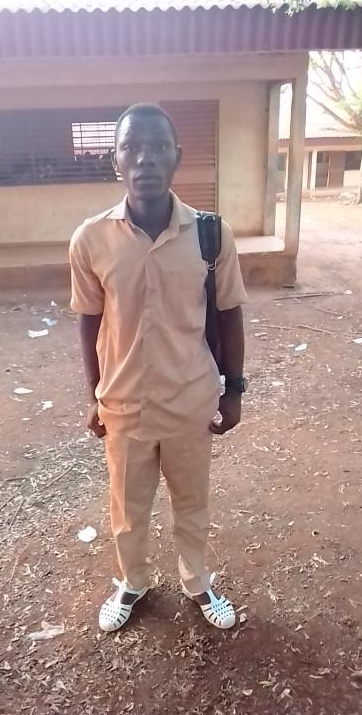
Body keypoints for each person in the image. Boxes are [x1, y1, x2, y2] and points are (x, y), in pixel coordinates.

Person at [69, 103, 247, 633]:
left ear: (177, 157)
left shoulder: (211, 234)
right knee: (128, 510)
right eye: (131, 148)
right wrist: (93, 396)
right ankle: (133, 582)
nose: (144, 158)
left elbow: (229, 313)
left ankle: (197, 581)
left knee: (192, 503)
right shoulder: (90, 239)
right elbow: (88, 323)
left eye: (157, 147)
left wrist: (233, 390)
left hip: (190, 400)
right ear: (116, 161)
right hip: (124, 406)